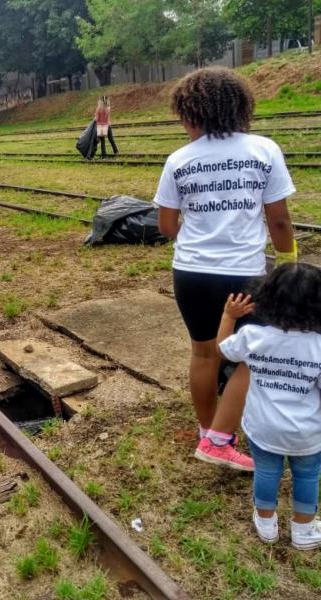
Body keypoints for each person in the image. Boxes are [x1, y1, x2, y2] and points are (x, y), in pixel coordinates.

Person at [154, 67, 297, 470]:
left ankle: (207, 432)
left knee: (204, 353)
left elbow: (166, 226)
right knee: (257, 356)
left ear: (191, 112)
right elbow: (280, 222)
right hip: (243, 273)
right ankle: (220, 438)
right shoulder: (263, 150)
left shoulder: (179, 160)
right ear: (238, 107)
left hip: (191, 274)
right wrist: (286, 263)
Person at [217, 264, 321, 549]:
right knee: (308, 475)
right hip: (307, 432)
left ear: (267, 298)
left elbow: (222, 349)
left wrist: (228, 315)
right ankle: (304, 529)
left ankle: (266, 524)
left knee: (266, 471)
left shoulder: (253, 337)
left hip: (262, 427)